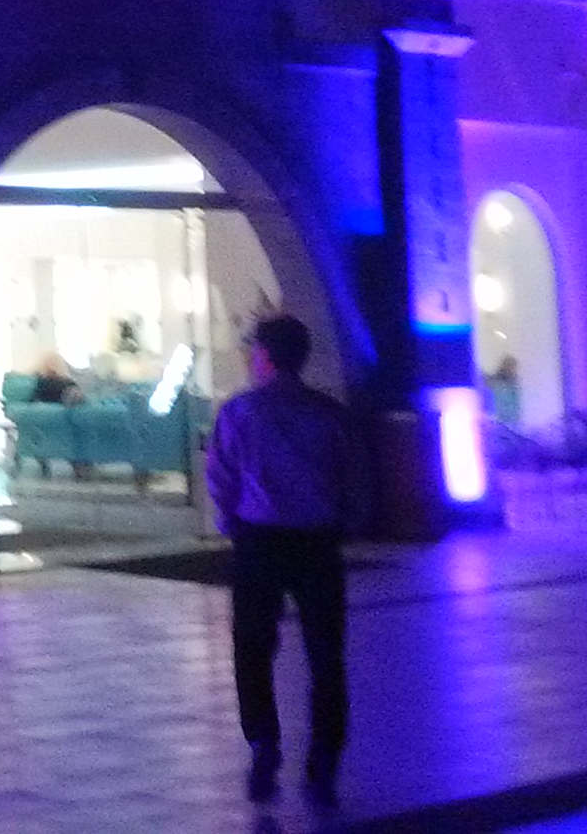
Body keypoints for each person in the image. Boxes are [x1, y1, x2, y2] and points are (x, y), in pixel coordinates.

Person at [205, 313, 360, 807]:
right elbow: (352, 477)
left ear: (264, 356)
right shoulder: (329, 413)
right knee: (326, 653)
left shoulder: (239, 411)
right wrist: (343, 520)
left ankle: (264, 744)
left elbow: (221, 475)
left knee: (252, 648)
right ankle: (324, 759)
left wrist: (231, 521)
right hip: (317, 540)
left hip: (260, 539)